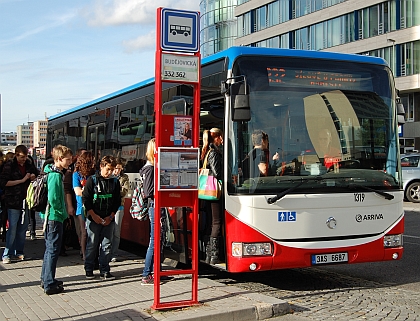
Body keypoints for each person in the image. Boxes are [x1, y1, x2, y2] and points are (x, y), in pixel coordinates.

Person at [40, 145, 73, 295]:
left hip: (51, 216)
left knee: (49, 249)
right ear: (59, 159)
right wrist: (62, 212)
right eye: (68, 159)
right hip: (54, 217)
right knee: (53, 250)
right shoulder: (55, 175)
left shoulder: (52, 172)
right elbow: (54, 198)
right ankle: (49, 282)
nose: (70, 162)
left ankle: (45, 278)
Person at [83, 155, 120, 280]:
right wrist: (94, 215)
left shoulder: (115, 182)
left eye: (112, 170)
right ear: (101, 166)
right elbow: (86, 200)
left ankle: (105, 270)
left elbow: (117, 201)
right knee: (92, 244)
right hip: (94, 218)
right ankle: (89, 269)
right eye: (108, 169)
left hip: (108, 218)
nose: (109, 172)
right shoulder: (92, 181)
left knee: (107, 245)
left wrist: (111, 216)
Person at [0, 145, 38, 264]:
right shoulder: (9, 165)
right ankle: (8, 253)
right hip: (13, 200)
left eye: (25, 157)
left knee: (23, 227)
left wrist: (33, 176)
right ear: (16, 155)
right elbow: (4, 182)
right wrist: (22, 180)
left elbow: (37, 174)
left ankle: (19, 251)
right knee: (12, 227)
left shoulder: (28, 164)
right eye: (21, 157)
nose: (23, 159)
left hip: (26, 199)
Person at [200, 128, 223, 265]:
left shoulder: (207, 150)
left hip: (207, 192)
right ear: (217, 137)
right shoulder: (213, 152)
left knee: (211, 221)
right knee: (216, 222)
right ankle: (214, 255)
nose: (222, 141)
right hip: (213, 192)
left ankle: (209, 254)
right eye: (221, 138)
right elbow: (216, 173)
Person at [72, 150, 94, 261]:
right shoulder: (76, 175)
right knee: (84, 232)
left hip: (93, 205)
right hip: (81, 206)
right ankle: (84, 255)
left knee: (92, 232)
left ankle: (91, 254)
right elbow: (78, 192)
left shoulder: (93, 174)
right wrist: (88, 190)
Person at [140, 138, 156, 285]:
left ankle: (155, 272)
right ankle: (146, 274)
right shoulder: (150, 168)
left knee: (156, 240)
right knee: (154, 240)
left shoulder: (148, 168)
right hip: (154, 205)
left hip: (154, 205)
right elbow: (149, 191)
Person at [110, 157, 129, 262]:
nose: (117, 170)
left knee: (116, 231)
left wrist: (113, 191)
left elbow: (124, 191)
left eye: (119, 168)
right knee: (107, 230)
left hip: (119, 206)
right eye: (116, 168)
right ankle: (105, 251)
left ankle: (114, 253)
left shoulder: (124, 177)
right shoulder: (108, 176)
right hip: (108, 206)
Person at [27, 155, 39, 240]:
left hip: (30, 195)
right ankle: (32, 232)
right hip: (30, 195)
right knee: (31, 215)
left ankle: (32, 231)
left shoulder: (33, 171)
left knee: (31, 215)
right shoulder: (34, 170)